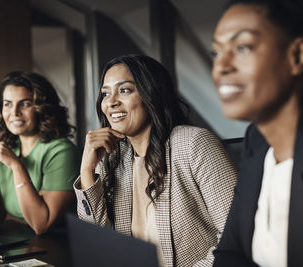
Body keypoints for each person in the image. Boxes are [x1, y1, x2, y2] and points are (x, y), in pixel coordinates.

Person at [74, 54, 237, 267]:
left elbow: (235, 238)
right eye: (105, 94)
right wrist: (87, 170)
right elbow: (98, 244)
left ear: (151, 94)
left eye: (125, 90)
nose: (111, 102)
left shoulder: (193, 143)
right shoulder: (114, 157)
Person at [211, 0, 303, 266]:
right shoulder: (256, 143)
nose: (221, 66)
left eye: (242, 47)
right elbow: (229, 253)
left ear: (298, 56)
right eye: (216, 52)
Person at [0, 71, 80, 235]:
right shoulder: (7, 150)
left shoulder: (62, 152)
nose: (14, 112)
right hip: (28, 242)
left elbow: (42, 224)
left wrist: (16, 165)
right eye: (7, 104)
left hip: (62, 243)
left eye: (25, 104)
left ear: (43, 108)